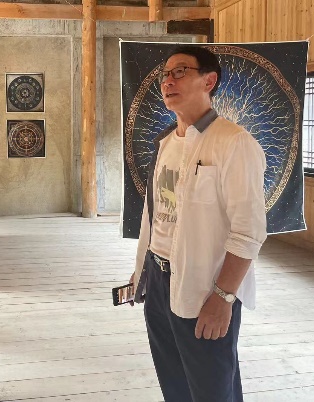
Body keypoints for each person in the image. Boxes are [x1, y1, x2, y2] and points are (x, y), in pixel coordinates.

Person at [130, 45, 267, 402]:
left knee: (212, 390)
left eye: (180, 71)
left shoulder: (233, 143)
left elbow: (249, 232)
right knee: (174, 385)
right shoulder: (165, 143)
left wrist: (223, 297)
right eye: (165, 75)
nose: (168, 81)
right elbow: (155, 216)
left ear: (209, 81)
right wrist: (141, 272)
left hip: (205, 287)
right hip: (158, 282)